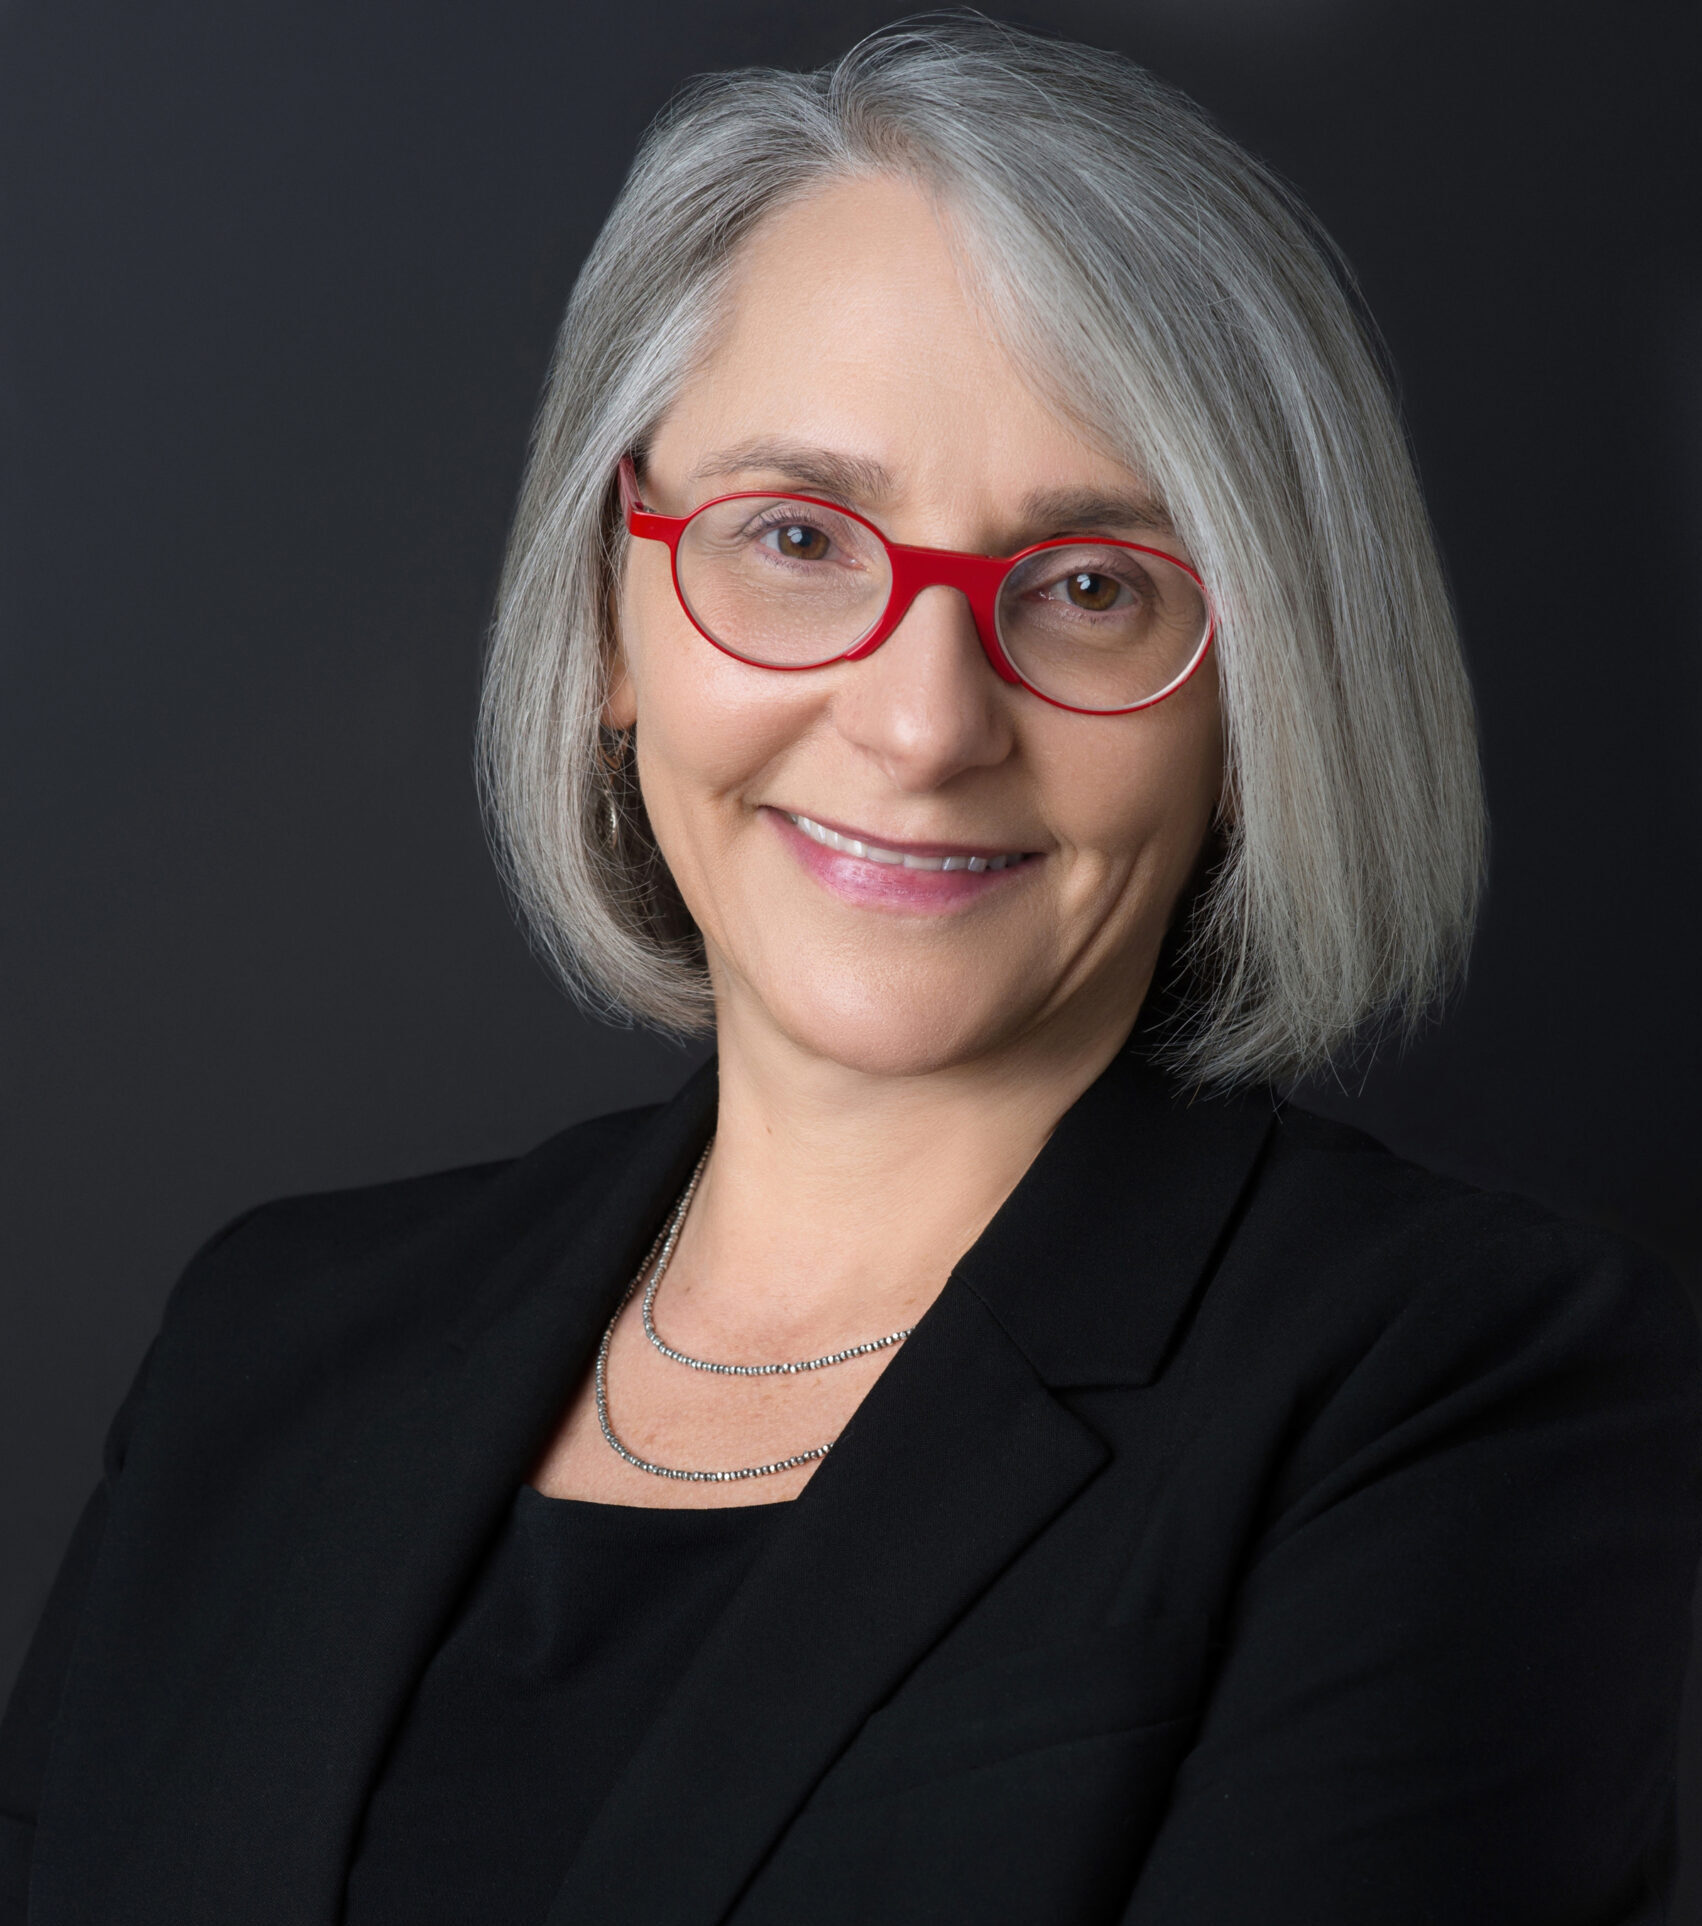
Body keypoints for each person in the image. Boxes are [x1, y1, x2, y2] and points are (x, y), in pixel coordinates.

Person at [3, 17, 1698, 1925]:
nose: (917, 721)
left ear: (1256, 695)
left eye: (1087, 584)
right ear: (613, 613)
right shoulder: (271, 1348)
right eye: (797, 536)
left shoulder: (1462, 1397)